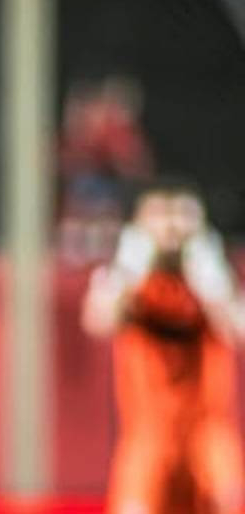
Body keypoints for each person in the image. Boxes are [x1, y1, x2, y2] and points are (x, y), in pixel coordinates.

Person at [81, 179, 245, 514]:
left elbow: (236, 330)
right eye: (161, 216)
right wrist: (127, 272)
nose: (171, 228)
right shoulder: (126, 280)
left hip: (207, 434)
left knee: (225, 500)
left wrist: (212, 284)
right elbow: (99, 320)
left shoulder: (216, 279)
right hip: (148, 437)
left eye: (181, 215)